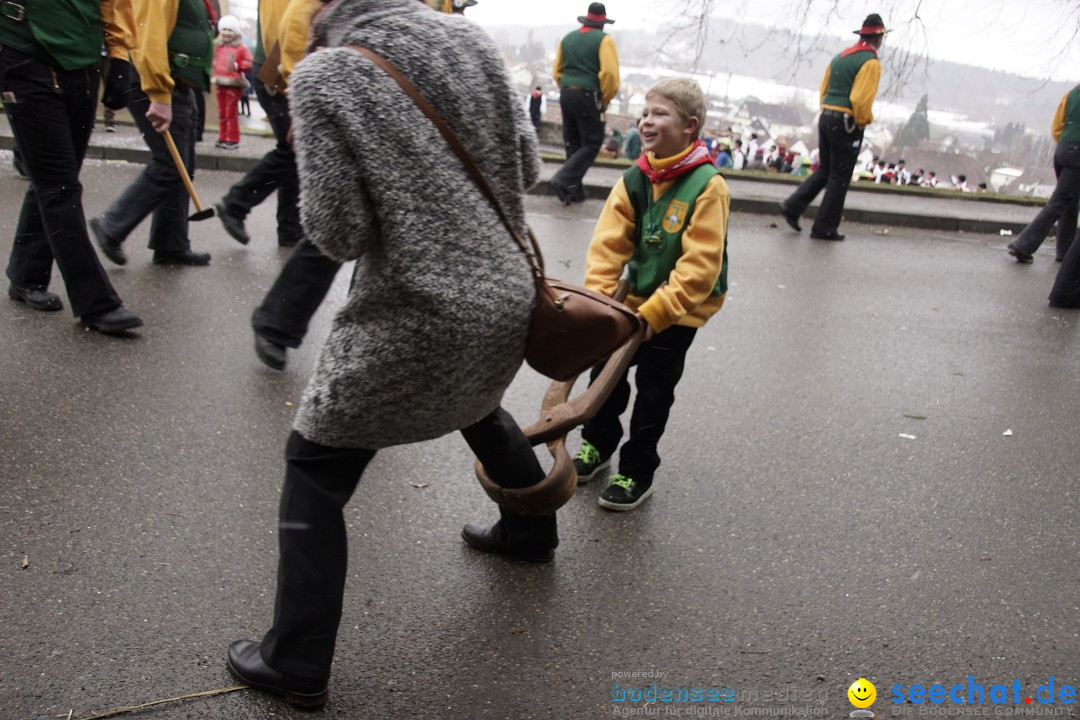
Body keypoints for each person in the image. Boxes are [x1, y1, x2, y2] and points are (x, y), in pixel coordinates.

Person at [224, 0, 555, 707]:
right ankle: (530, 532)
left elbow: (338, 229)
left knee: (316, 463)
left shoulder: (326, 76)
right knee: (473, 396)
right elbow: (525, 164)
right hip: (507, 285)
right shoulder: (471, 38)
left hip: (419, 301)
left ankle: (296, 660)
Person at [571, 78, 729, 511]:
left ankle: (636, 470)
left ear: (690, 126)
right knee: (605, 377)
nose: (647, 121)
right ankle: (597, 446)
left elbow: (699, 268)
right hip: (631, 302)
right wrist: (602, 304)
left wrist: (656, 314)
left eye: (661, 114)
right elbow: (608, 247)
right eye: (645, 112)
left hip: (679, 310)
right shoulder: (635, 178)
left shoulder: (706, 185)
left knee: (654, 390)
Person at [1, 0, 143, 333]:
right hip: (23, 52)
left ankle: (25, 276)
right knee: (59, 186)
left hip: (83, 62)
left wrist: (120, 56)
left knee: (55, 179)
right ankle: (96, 302)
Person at [89, 0, 215, 267]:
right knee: (170, 165)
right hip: (157, 84)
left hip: (179, 85)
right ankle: (111, 225)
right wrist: (159, 93)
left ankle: (171, 244)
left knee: (182, 168)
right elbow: (150, 34)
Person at [779, 13, 886, 241]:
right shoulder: (870, 62)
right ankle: (824, 227)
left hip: (827, 115)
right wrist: (862, 120)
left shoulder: (840, 57)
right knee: (839, 177)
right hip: (846, 121)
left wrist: (828, 111)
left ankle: (793, 205)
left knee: (825, 170)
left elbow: (824, 89)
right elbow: (860, 99)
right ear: (878, 38)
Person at [549, 2, 620, 205]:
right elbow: (609, 75)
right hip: (588, 95)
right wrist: (604, 99)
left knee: (573, 143)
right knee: (592, 143)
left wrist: (566, 87)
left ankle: (573, 192)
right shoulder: (605, 41)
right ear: (602, 24)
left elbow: (557, 70)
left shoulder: (567, 38)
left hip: (565, 92)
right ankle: (563, 179)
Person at [1008, 84, 1080, 275]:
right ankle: (1024, 244)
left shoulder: (1072, 94)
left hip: (1063, 149)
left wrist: (1067, 141)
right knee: (1060, 201)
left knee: (1069, 202)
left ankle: (1064, 252)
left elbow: (1057, 127)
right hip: (1077, 153)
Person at [212, 15, 253, 149]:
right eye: (224, 30)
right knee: (222, 112)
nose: (227, 33)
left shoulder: (241, 48)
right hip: (220, 82)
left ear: (236, 32)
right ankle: (223, 137)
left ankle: (233, 138)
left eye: (230, 30)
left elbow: (248, 63)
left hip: (233, 84)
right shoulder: (220, 47)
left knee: (231, 112)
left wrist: (238, 66)